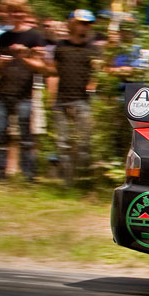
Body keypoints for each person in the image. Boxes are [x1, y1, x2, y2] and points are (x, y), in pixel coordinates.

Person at [0, 0, 48, 180]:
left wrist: (23, 55)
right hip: (3, 90)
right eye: (13, 11)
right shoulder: (3, 37)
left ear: (26, 13)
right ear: (8, 14)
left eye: (20, 11)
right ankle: (0, 175)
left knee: (26, 137)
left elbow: (41, 66)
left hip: (25, 93)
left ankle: (29, 176)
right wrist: (0, 62)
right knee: (0, 134)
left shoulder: (35, 36)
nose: (17, 15)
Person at [46, 10, 102, 186]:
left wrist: (93, 84)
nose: (84, 26)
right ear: (71, 23)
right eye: (81, 22)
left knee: (84, 142)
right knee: (62, 143)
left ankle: (82, 181)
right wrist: (50, 96)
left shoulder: (93, 49)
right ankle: (66, 181)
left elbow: (97, 73)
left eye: (87, 23)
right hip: (61, 99)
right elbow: (53, 72)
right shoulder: (60, 46)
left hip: (83, 101)